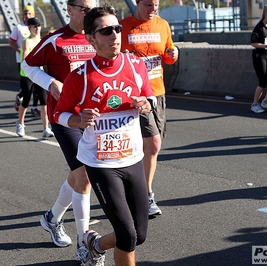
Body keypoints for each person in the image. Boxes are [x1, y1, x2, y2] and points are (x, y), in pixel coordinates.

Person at [54, 5, 153, 265]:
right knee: (126, 234)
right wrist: (78, 119)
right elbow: (59, 114)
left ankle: (94, 244)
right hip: (100, 162)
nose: (115, 35)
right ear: (90, 38)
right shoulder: (81, 77)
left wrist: (147, 103)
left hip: (132, 158)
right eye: (106, 31)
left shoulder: (135, 65)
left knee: (138, 235)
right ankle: (95, 245)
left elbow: (150, 94)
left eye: (117, 28)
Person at [21, 0, 96, 263]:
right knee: (84, 175)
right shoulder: (55, 40)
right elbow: (28, 65)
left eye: (92, 6)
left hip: (93, 117)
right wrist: (50, 81)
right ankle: (84, 244)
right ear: (70, 9)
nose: (89, 12)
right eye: (84, 7)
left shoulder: (96, 37)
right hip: (64, 117)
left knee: (77, 175)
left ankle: (51, 218)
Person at [120, 0, 178, 216]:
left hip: (158, 92)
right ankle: (146, 195)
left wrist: (173, 54)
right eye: (148, 4)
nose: (153, 8)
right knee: (152, 144)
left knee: (152, 145)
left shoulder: (163, 25)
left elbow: (168, 52)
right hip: (135, 96)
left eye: (156, 4)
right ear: (137, 2)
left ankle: (133, 188)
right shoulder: (123, 26)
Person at [16, 17, 53, 138]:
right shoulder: (27, 41)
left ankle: (46, 128)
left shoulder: (42, 41)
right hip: (27, 75)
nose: (37, 29)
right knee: (26, 101)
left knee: (44, 102)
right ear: (29, 28)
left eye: (38, 26)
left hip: (39, 73)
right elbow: (25, 57)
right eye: (34, 26)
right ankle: (20, 124)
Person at [8, 5, 40, 116]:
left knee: (37, 87)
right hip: (22, 61)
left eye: (29, 13)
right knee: (27, 87)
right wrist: (19, 50)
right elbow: (11, 41)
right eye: (25, 13)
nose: (27, 15)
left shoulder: (37, 28)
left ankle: (35, 107)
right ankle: (20, 96)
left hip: (36, 63)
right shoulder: (19, 27)